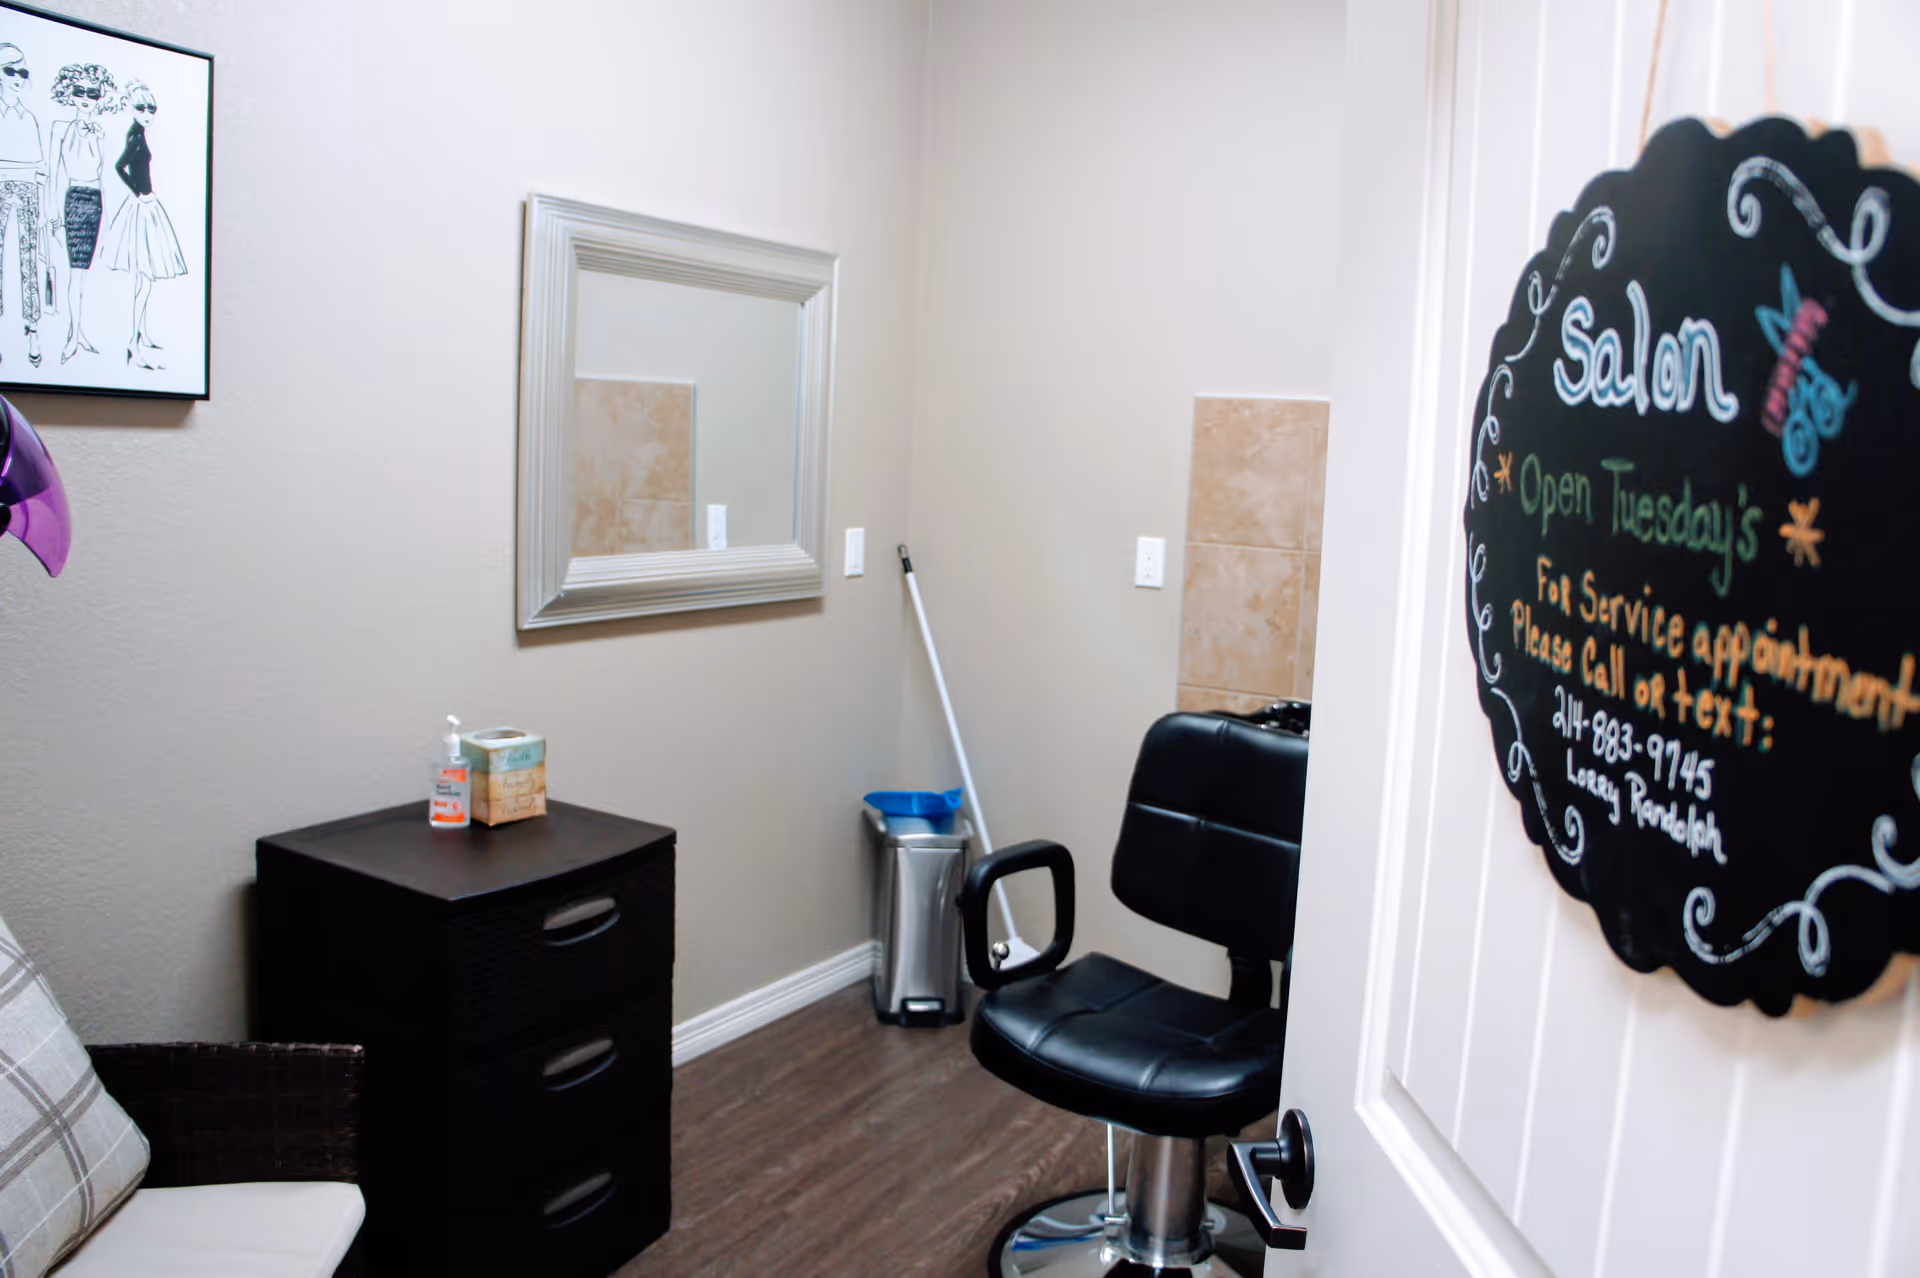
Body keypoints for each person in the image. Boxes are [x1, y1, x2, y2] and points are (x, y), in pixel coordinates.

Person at [103, 80, 184, 368]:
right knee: (145, 276)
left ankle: (142, 334)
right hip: (142, 206)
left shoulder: (140, 134)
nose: (148, 113)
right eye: (141, 108)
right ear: (132, 109)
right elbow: (119, 166)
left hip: (147, 203)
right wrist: (138, 192)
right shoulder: (135, 137)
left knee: (144, 278)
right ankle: (133, 343)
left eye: (152, 108)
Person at [48, 62, 117, 365]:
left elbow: (103, 177)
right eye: (80, 91)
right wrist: (53, 213)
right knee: (75, 273)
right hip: (74, 199)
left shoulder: (100, 132)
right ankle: (73, 336)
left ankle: (78, 332)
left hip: (95, 200)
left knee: (84, 272)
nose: (86, 98)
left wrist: (109, 219)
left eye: (93, 93)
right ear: (70, 93)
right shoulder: (59, 128)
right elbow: (53, 174)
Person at [0, 44, 47, 368]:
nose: (17, 77)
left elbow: (40, 167)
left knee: (29, 258)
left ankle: (32, 328)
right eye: (10, 70)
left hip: (28, 187)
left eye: (22, 71)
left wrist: (43, 208)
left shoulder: (29, 118)